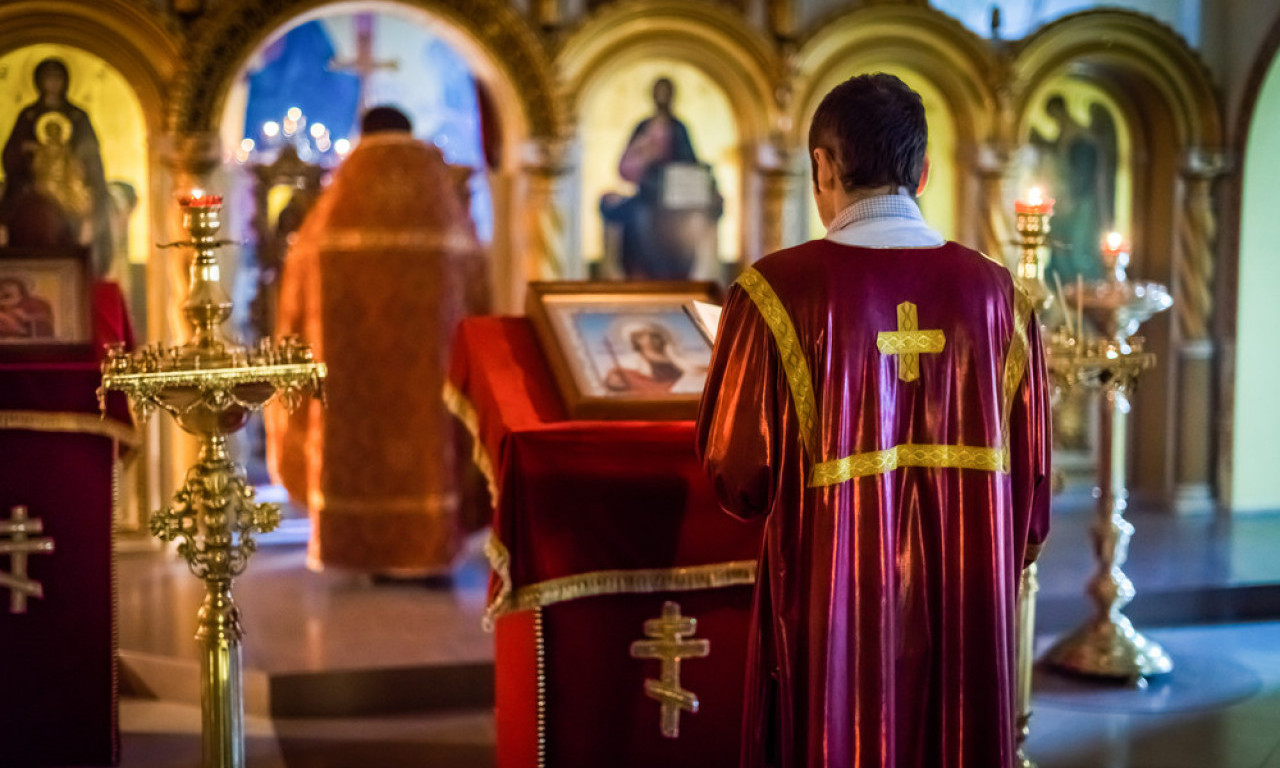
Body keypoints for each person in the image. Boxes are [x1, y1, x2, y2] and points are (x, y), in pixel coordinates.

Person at [695, 74, 1052, 768]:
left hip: (834, 614)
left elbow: (738, 480)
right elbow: (1031, 511)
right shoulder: (1003, 298)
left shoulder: (774, 292)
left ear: (822, 168)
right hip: (964, 605)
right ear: (922, 172)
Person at [266, 105, 489, 577]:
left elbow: (294, 301)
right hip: (431, 372)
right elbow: (480, 293)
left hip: (353, 377)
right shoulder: (442, 204)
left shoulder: (336, 207)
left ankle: (367, 551)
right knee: (430, 445)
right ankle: (428, 547)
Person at [600, 77, 722, 279]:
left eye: (667, 93)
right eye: (659, 93)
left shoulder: (679, 128)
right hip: (647, 193)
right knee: (635, 216)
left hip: (676, 197)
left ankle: (676, 277)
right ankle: (641, 276)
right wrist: (644, 155)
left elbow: (691, 163)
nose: (663, 98)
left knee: (681, 223)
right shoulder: (644, 127)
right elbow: (625, 168)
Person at [0, 58, 113, 274]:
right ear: (38, 81)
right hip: (35, 189)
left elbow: (90, 156)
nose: (52, 82)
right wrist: (27, 149)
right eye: (47, 77)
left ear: (66, 81)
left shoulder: (78, 117)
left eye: (57, 77)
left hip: (70, 188)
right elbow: (11, 155)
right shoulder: (28, 115)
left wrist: (69, 154)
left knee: (78, 226)